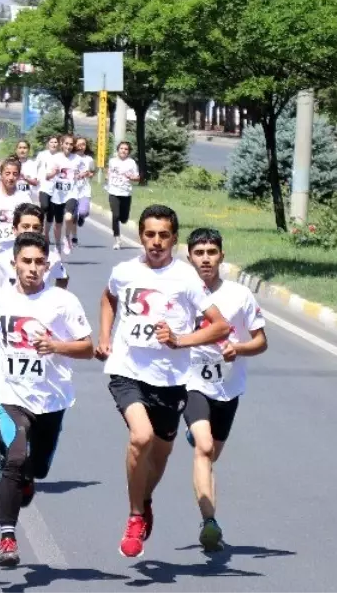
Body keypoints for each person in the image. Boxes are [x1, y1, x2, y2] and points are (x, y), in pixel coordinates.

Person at [95, 204, 231, 559]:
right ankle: (135, 516)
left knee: (160, 454)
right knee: (140, 437)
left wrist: (179, 340)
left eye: (164, 235)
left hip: (170, 380)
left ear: (174, 238)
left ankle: (145, 498)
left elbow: (220, 326)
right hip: (127, 370)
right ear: (140, 235)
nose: (156, 242)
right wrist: (106, 336)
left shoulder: (186, 278)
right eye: (150, 234)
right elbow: (108, 298)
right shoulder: (124, 271)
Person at [0, 232, 94, 568]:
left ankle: (27, 478)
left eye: (40, 262)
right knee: (15, 457)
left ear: (48, 265)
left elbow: (88, 348)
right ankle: (7, 537)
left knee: (37, 468)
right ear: (15, 263)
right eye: (27, 261)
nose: (33, 268)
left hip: (52, 398)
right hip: (11, 394)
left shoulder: (63, 302)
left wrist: (58, 346)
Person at [183, 228, 268, 552]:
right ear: (189, 257)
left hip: (228, 388)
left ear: (221, 255)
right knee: (203, 448)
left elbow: (261, 342)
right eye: (199, 253)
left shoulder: (240, 296)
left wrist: (240, 349)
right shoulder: (181, 294)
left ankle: (196, 432)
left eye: (211, 252)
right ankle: (210, 522)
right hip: (191, 383)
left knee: (210, 454)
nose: (205, 258)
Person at [0, 203, 69, 297]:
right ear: (14, 230)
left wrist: (57, 300)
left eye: (36, 227)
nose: (31, 231)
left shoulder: (52, 258)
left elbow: (63, 277)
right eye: (25, 226)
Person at [45, 135, 80, 256]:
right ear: (61, 144)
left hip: (71, 193)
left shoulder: (77, 159)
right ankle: (58, 246)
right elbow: (47, 176)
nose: (69, 146)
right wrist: (54, 173)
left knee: (69, 218)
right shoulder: (55, 158)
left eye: (71, 144)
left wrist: (81, 175)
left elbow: (86, 172)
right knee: (58, 224)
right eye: (66, 144)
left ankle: (67, 237)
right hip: (58, 195)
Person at [106, 141, 141, 250]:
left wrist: (132, 177)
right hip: (113, 192)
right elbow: (109, 171)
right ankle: (117, 239)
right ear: (118, 150)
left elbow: (137, 178)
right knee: (115, 215)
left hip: (126, 193)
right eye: (121, 148)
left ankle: (123, 219)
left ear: (128, 151)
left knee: (124, 219)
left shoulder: (132, 163)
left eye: (126, 149)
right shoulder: (112, 161)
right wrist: (108, 176)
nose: (123, 151)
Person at [69, 136, 94, 246]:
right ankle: (74, 237)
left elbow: (92, 172)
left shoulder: (89, 159)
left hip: (84, 190)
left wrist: (89, 174)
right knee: (73, 216)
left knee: (83, 211)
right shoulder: (70, 158)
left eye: (83, 144)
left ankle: (82, 217)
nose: (81, 146)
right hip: (72, 191)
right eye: (78, 144)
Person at [35, 136, 61, 237]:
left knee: (51, 213)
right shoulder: (42, 155)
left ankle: (46, 234)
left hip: (56, 188)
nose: (54, 144)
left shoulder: (60, 156)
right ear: (48, 144)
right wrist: (35, 178)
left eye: (55, 142)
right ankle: (39, 228)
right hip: (43, 186)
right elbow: (35, 166)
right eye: (52, 142)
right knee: (44, 206)